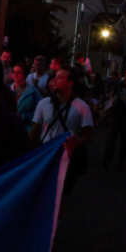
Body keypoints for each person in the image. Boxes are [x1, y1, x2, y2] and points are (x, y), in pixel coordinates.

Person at [30, 65, 93, 196]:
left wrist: (74, 146)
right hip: (45, 154)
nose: (54, 80)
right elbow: (35, 130)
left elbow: (88, 135)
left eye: (60, 77)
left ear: (70, 83)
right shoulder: (43, 104)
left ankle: (58, 217)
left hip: (66, 158)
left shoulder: (82, 107)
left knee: (60, 194)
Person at [10, 62, 41, 132]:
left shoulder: (32, 91)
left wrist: (23, 117)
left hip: (25, 129)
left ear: (25, 74)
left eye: (19, 72)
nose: (15, 74)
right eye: (14, 72)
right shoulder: (8, 90)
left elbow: (38, 112)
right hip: (9, 128)